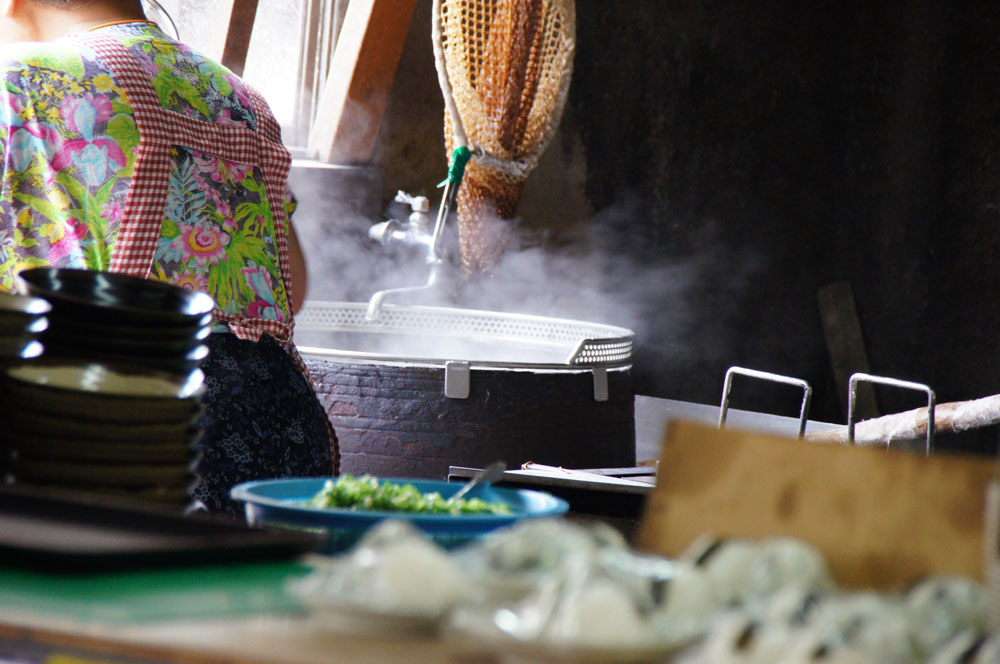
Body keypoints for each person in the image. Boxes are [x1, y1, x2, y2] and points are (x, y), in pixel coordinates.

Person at [0, 0, 338, 514]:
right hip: (277, 424)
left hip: (124, 425)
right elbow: (293, 287)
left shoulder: (17, 80)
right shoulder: (239, 95)